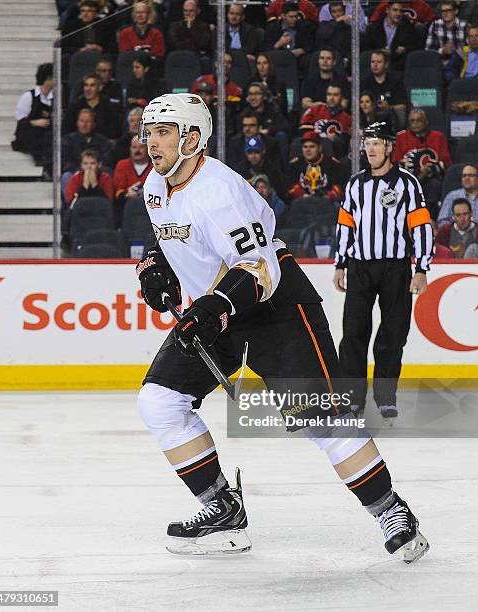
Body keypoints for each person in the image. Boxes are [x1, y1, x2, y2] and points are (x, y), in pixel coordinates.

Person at [136, 92, 429, 562]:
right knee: (159, 403)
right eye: (148, 132)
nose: (151, 143)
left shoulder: (222, 192)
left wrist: (212, 308)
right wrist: (154, 264)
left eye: (163, 132)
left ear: (193, 138)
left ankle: (391, 511)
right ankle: (222, 510)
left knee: (323, 420)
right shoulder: (154, 183)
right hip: (217, 310)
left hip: (276, 309)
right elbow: (168, 229)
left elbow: (258, 269)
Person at [333, 122, 434, 421]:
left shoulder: (408, 183)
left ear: (390, 147)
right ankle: (352, 400)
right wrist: (340, 264)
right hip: (360, 267)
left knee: (393, 333)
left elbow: (421, 227)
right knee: (353, 334)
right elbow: (345, 226)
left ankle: (386, 397)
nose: (371, 149)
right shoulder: (355, 184)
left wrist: (422, 268)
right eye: (367, 143)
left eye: (377, 143)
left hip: (396, 268)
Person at [392, 108, 452, 218]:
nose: (415, 123)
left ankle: (429, 218)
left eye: (419, 120)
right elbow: (396, 162)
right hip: (408, 178)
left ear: (426, 122)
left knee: (434, 185)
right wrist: (416, 174)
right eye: (412, 121)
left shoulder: (438, 137)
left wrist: (428, 171)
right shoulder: (401, 137)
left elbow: (446, 163)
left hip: (432, 179)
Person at [61, 108, 113, 195]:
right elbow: (64, 162)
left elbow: (107, 162)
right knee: (66, 176)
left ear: (94, 124)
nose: (84, 125)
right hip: (76, 174)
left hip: (98, 175)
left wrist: (93, 171)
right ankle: (71, 205)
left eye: (88, 121)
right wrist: (83, 172)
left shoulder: (103, 141)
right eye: (81, 121)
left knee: (108, 174)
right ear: (77, 123)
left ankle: (105, 205)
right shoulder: (68, 140)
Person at [12, 62, 53, 172]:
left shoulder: (55, 97)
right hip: (31, 130)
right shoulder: (29, 96)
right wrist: (35, 122)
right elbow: (20, 120)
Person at [286, 131, 342, 202]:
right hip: (302, 203)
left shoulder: (332, 164)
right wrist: (304, 196)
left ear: (320, 148)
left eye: (312, 146)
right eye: (305, 147)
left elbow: (338, 189)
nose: (308, 150)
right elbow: (290, 188)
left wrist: (326, 197)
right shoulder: (295, 165)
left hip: (327, 203)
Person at [299, 83, 351, 158]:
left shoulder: (347, 118)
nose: (331, 98)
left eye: (335, 95)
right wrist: (321, 137)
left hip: (334, 150)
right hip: (313, 143)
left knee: (327, 143)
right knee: (297, 143)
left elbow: (345, 142)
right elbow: (303, 130)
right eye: (329, 94)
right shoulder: (315, 110)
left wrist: (336, 139)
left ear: (341, 98)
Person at [63, 73, 121, 140]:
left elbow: (114, 133)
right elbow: (66, 130)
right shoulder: (75, 106)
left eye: (92, 85)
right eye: (86, 85)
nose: (88, 89)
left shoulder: (109, 107)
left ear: (100, 88)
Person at [364, 1, 418, 72]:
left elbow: (414, 47)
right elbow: (366, 48)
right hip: (376, 64)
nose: (398, 14)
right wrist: (379, 52)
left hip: (398, 65)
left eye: (401, 11)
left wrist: (405, 49)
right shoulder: (373, 28)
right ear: (387, 10)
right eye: (395, 10)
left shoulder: (408, 27)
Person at [361, 50, 407, 130]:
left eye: (378, 62)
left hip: (390, 117)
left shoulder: (396, 81)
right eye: (373, 62)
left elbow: (402, 106)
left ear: (386, 64)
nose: (375, 65)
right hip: (369, 117)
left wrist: (388, 107)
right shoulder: (364, 82)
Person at [113, 135, 152, 224]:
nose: (137, 151)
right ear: (130, 149)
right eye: (134, 147)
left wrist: (145, 193)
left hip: (150, 207)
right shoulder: (122, 165)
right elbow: (118, 192)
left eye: (141, 147)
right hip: (126, 208)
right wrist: (127, 194)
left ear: (148, 148)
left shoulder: (155, 167)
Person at [425, 1, 467, 66]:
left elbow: (472, 51)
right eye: (443, 11)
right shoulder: (435, 25)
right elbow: (428, 50)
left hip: (460, 65)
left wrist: (455, 51)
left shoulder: (465, 26)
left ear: (456, 11)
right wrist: (443, 51)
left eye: (449, 10)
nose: (445, 13)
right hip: (440, 65)